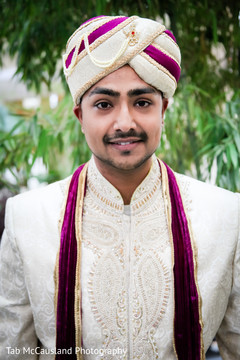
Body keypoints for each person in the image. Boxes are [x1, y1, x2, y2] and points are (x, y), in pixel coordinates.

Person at [0, 14, 239, 360]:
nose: (124, 122)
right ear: (81, 116)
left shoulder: (227, 217)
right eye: (104, 104)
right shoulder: (27, 219)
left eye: (142, 102)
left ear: (163, 110)